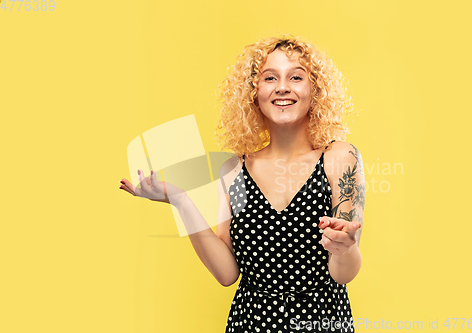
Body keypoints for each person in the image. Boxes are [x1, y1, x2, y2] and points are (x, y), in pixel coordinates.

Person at [119, 35, 365, 333]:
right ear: (253, 92)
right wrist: (181, 201)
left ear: (315, 90)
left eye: (296, 77)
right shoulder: (234, 170)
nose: (282, 87)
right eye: (270, 78)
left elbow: (343, 275)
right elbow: (226, 273)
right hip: (251, 324)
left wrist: (343, 249)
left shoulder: (340, 158)